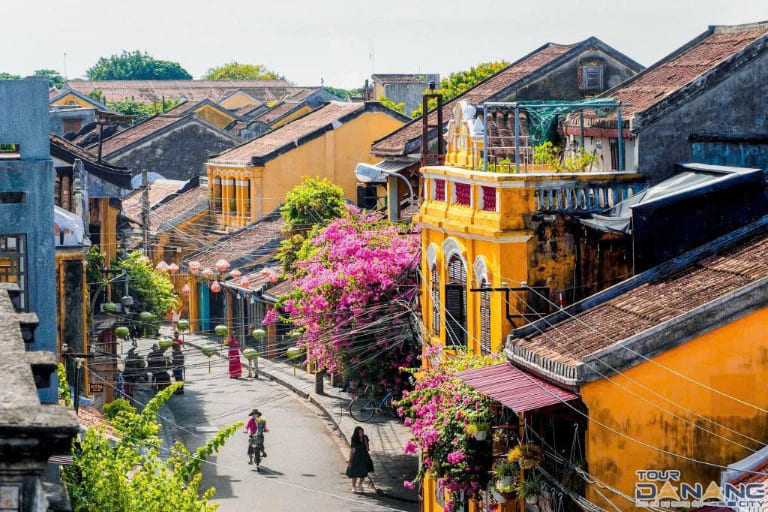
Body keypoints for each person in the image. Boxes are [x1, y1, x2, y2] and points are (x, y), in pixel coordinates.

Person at [346, 426, 374, 492]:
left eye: (362, 432)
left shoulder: (365, 437)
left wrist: (365, 441)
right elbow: (352, 450)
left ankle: (360, 484)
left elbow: (367, 449)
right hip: (356, 457)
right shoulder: (354, 439)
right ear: (356, 433)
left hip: (364, 456)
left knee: (364, 472)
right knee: (354, 472)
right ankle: (353, 486)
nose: (361, 433)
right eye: (359, 432)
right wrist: (350, 461)